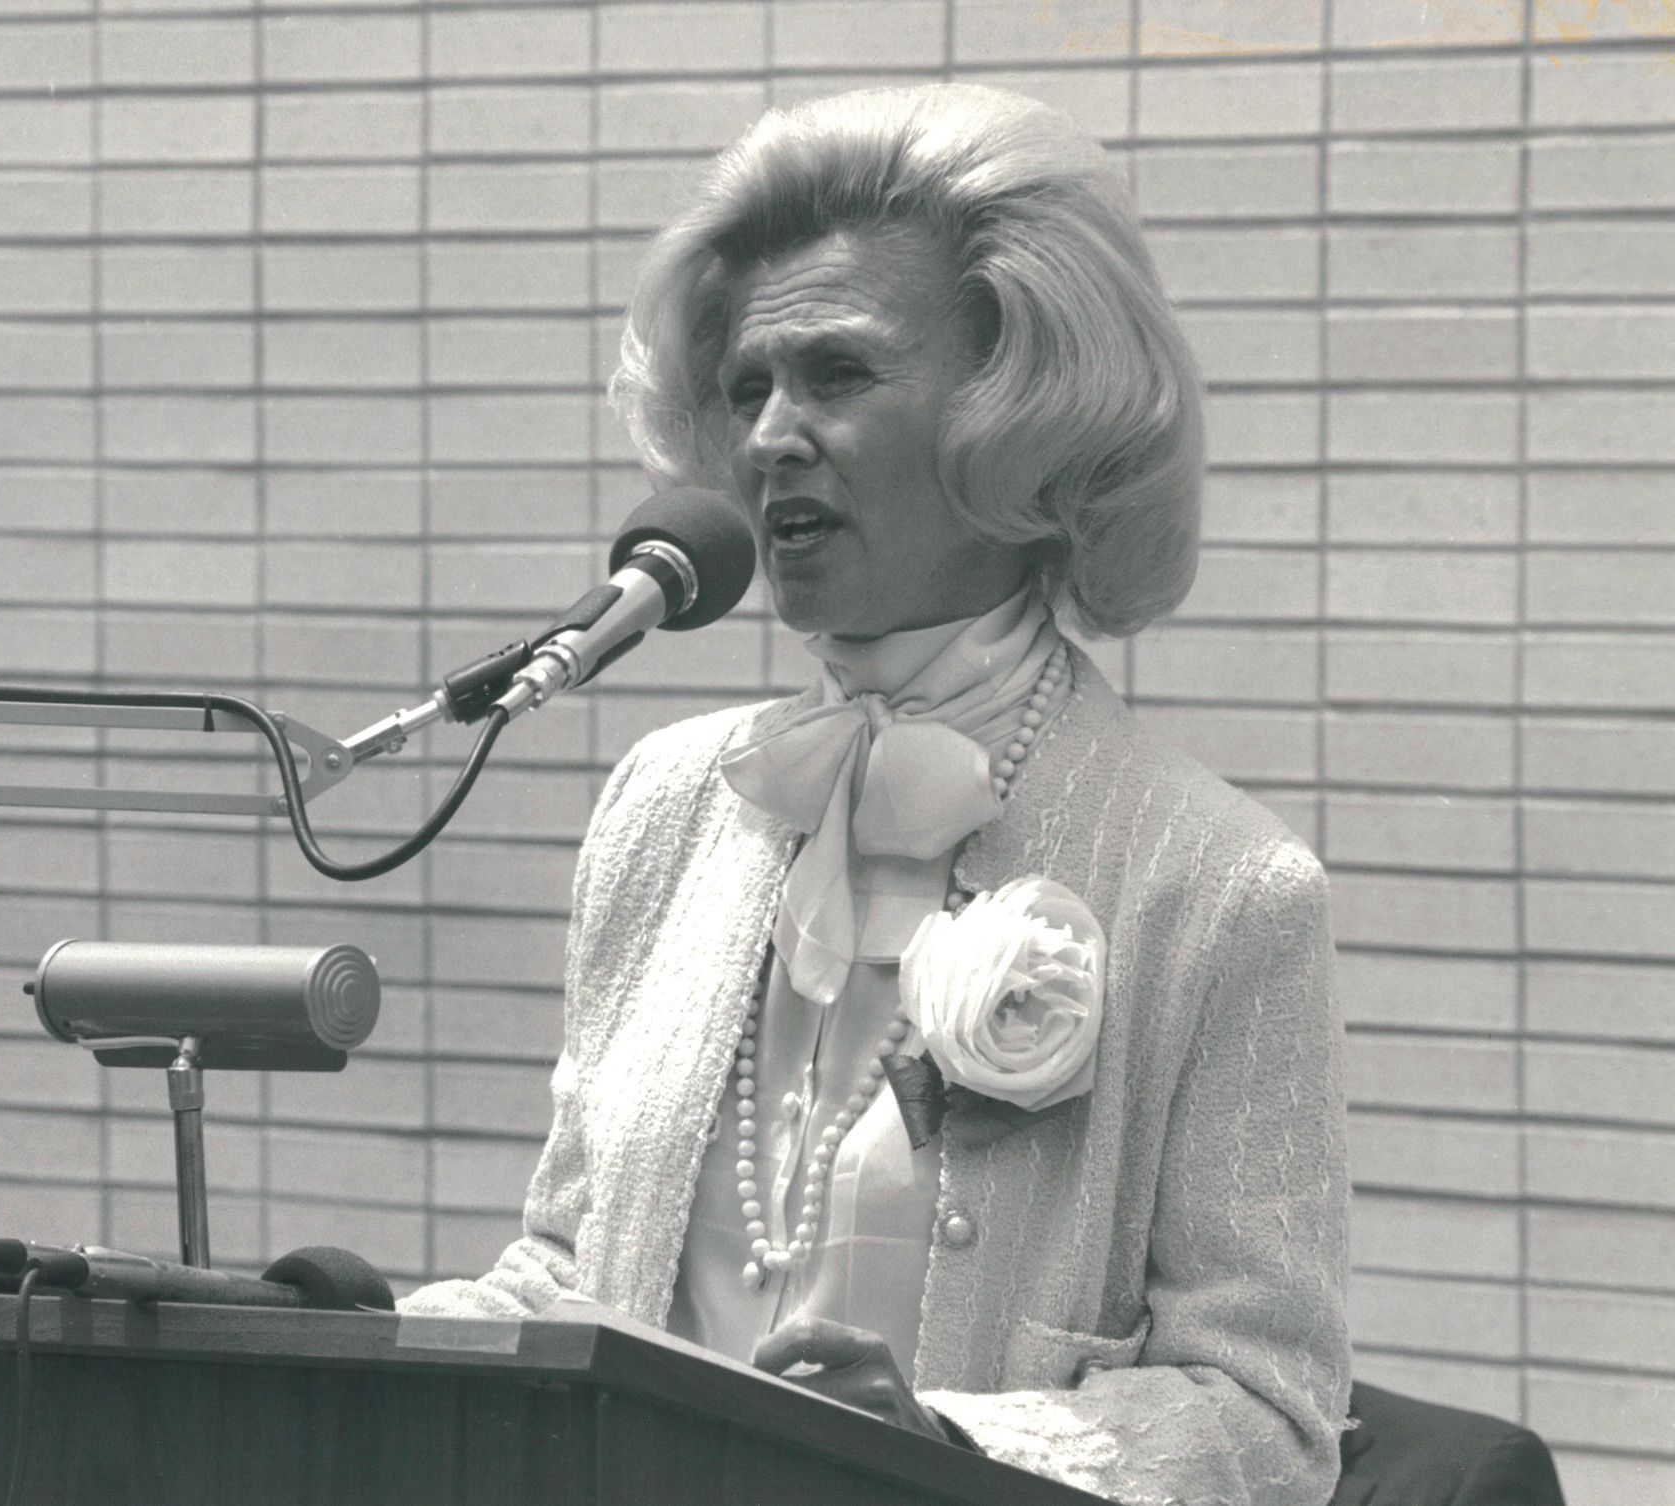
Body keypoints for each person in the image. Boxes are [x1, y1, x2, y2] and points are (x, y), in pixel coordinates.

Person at [401, 83, 1350, 1506]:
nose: (770, 436)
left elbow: (1268, 1410)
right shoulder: (666, 802)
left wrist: (951, 1446)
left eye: (837, 375)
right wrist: (359, 1334)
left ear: (1019, 409)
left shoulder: (1218, 888)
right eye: (744, 388)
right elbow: (573, 1262)